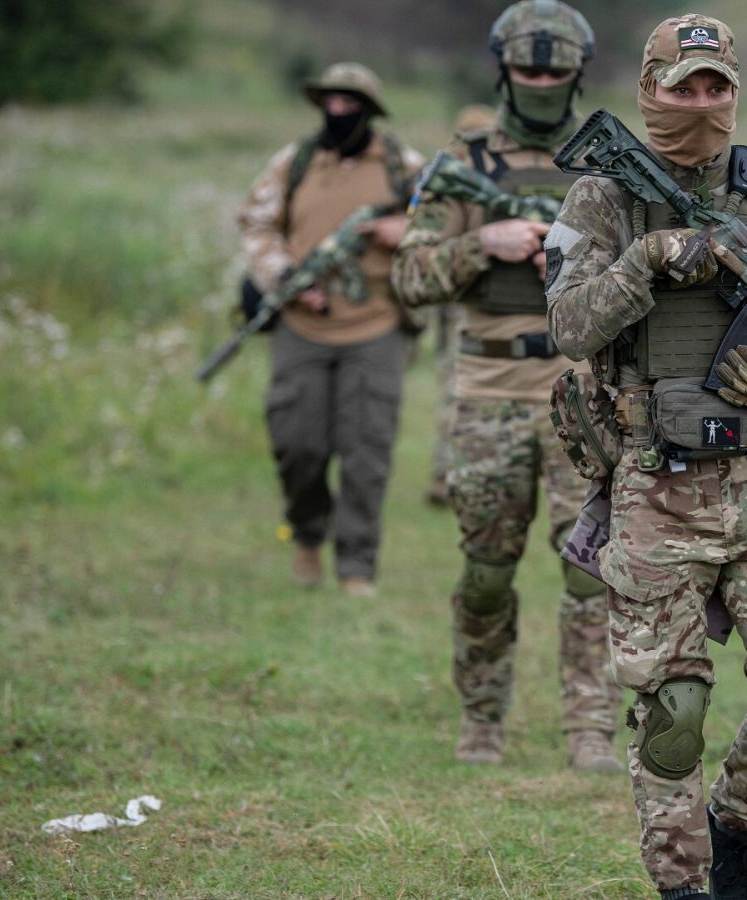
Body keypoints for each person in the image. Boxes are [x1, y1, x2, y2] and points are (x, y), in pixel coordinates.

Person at [544, 14, 747, 899]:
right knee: (672, 709)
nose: (703, 104)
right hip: (653, 482)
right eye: (685, 86)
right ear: (650, 90)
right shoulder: (601, 198)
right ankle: (684, 885)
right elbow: (567, 327)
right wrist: (647, 260)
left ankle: (737, 829)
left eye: (718, 87)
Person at [392, 0, 623, 772]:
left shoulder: (609, 160)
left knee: (590, 562)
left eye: (557, 72)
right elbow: (409, 275)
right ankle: (482, 717)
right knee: (487, 568)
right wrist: (478, 247)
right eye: (530, 69)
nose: (543, 82)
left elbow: (652, 270)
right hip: (487, 386)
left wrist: (577, 264)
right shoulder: (461, 162)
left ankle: (589, 722)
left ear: (577, 72)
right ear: (503, 68)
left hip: (580, 388)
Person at [237, 61, 425, 597]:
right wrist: (286, 277)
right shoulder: (293, 162)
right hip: (302, 324)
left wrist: (403, 230)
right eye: (330, 102)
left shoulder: (401, 164)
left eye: (350, 103)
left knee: (367, 449)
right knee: (298, 442)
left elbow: (448, 220)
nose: (338, 111)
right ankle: (306, 534)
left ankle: (357, 566)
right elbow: (255, 222)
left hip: (378, 324)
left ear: (369, 109)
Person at [423, 102, 502, 508]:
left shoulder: (450, 175)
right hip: (464, 304)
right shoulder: (461, 181)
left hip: (462, 303)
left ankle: (449, 472)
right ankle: (448, 473)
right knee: (459, 387)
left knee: (456, 387)